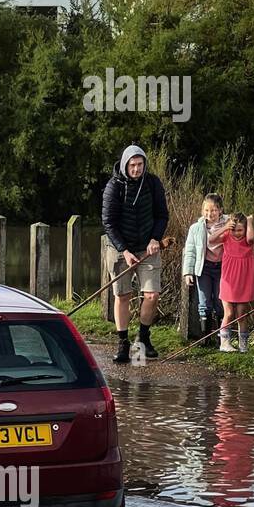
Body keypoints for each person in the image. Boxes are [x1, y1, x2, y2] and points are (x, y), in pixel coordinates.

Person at [101, 144, 170, 363]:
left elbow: (162, 215)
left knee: (152, 294)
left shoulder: (153, 183)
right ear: (125, 165)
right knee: (122, 295)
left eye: (140, 165)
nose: (137, 169)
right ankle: (123, 342)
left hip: (147, 248)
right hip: (120, 248)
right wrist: (124, 250)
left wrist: (155, 238)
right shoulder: (114, 187)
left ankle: (143, 337)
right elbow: (108, 222)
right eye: (133, 165)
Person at [182, 192, 229, 346]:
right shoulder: (196, 228)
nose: (210, 214)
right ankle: (205, 338)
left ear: (220, 210)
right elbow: (190, 250)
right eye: (207, 210)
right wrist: (188, 271)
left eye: (214, 210)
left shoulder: (229, 223)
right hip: (204, 268)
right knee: (204, 301)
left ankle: (222, 338)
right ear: (202, 211)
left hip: (223, 267)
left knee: (221, 301)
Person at [218, 213, 254, 352]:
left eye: (240, 230)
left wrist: (250, 221)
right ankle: (224, 343)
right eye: (234, 230)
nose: (236, 233)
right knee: (228, 313)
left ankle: (243, 345)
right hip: (228, 279)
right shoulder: (227, 236)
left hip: (244, 280)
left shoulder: (247, 239)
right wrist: (225, 228)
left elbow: (251, 238)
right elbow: (211, 239)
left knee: (242, 314)